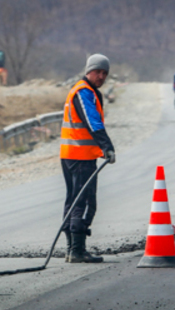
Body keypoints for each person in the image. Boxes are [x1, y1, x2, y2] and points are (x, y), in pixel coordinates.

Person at [60, 53, 116, 263]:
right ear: (88, 71)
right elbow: (93, 122)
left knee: (74, 200)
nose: (101, 76)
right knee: (84, 202)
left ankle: (71, 250)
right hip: (80, 157)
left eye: (105, 73)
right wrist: (107, 147)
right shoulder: (84, 92)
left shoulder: (83, 90)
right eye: (97, 71)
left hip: (71, 155)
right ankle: (77, 251)